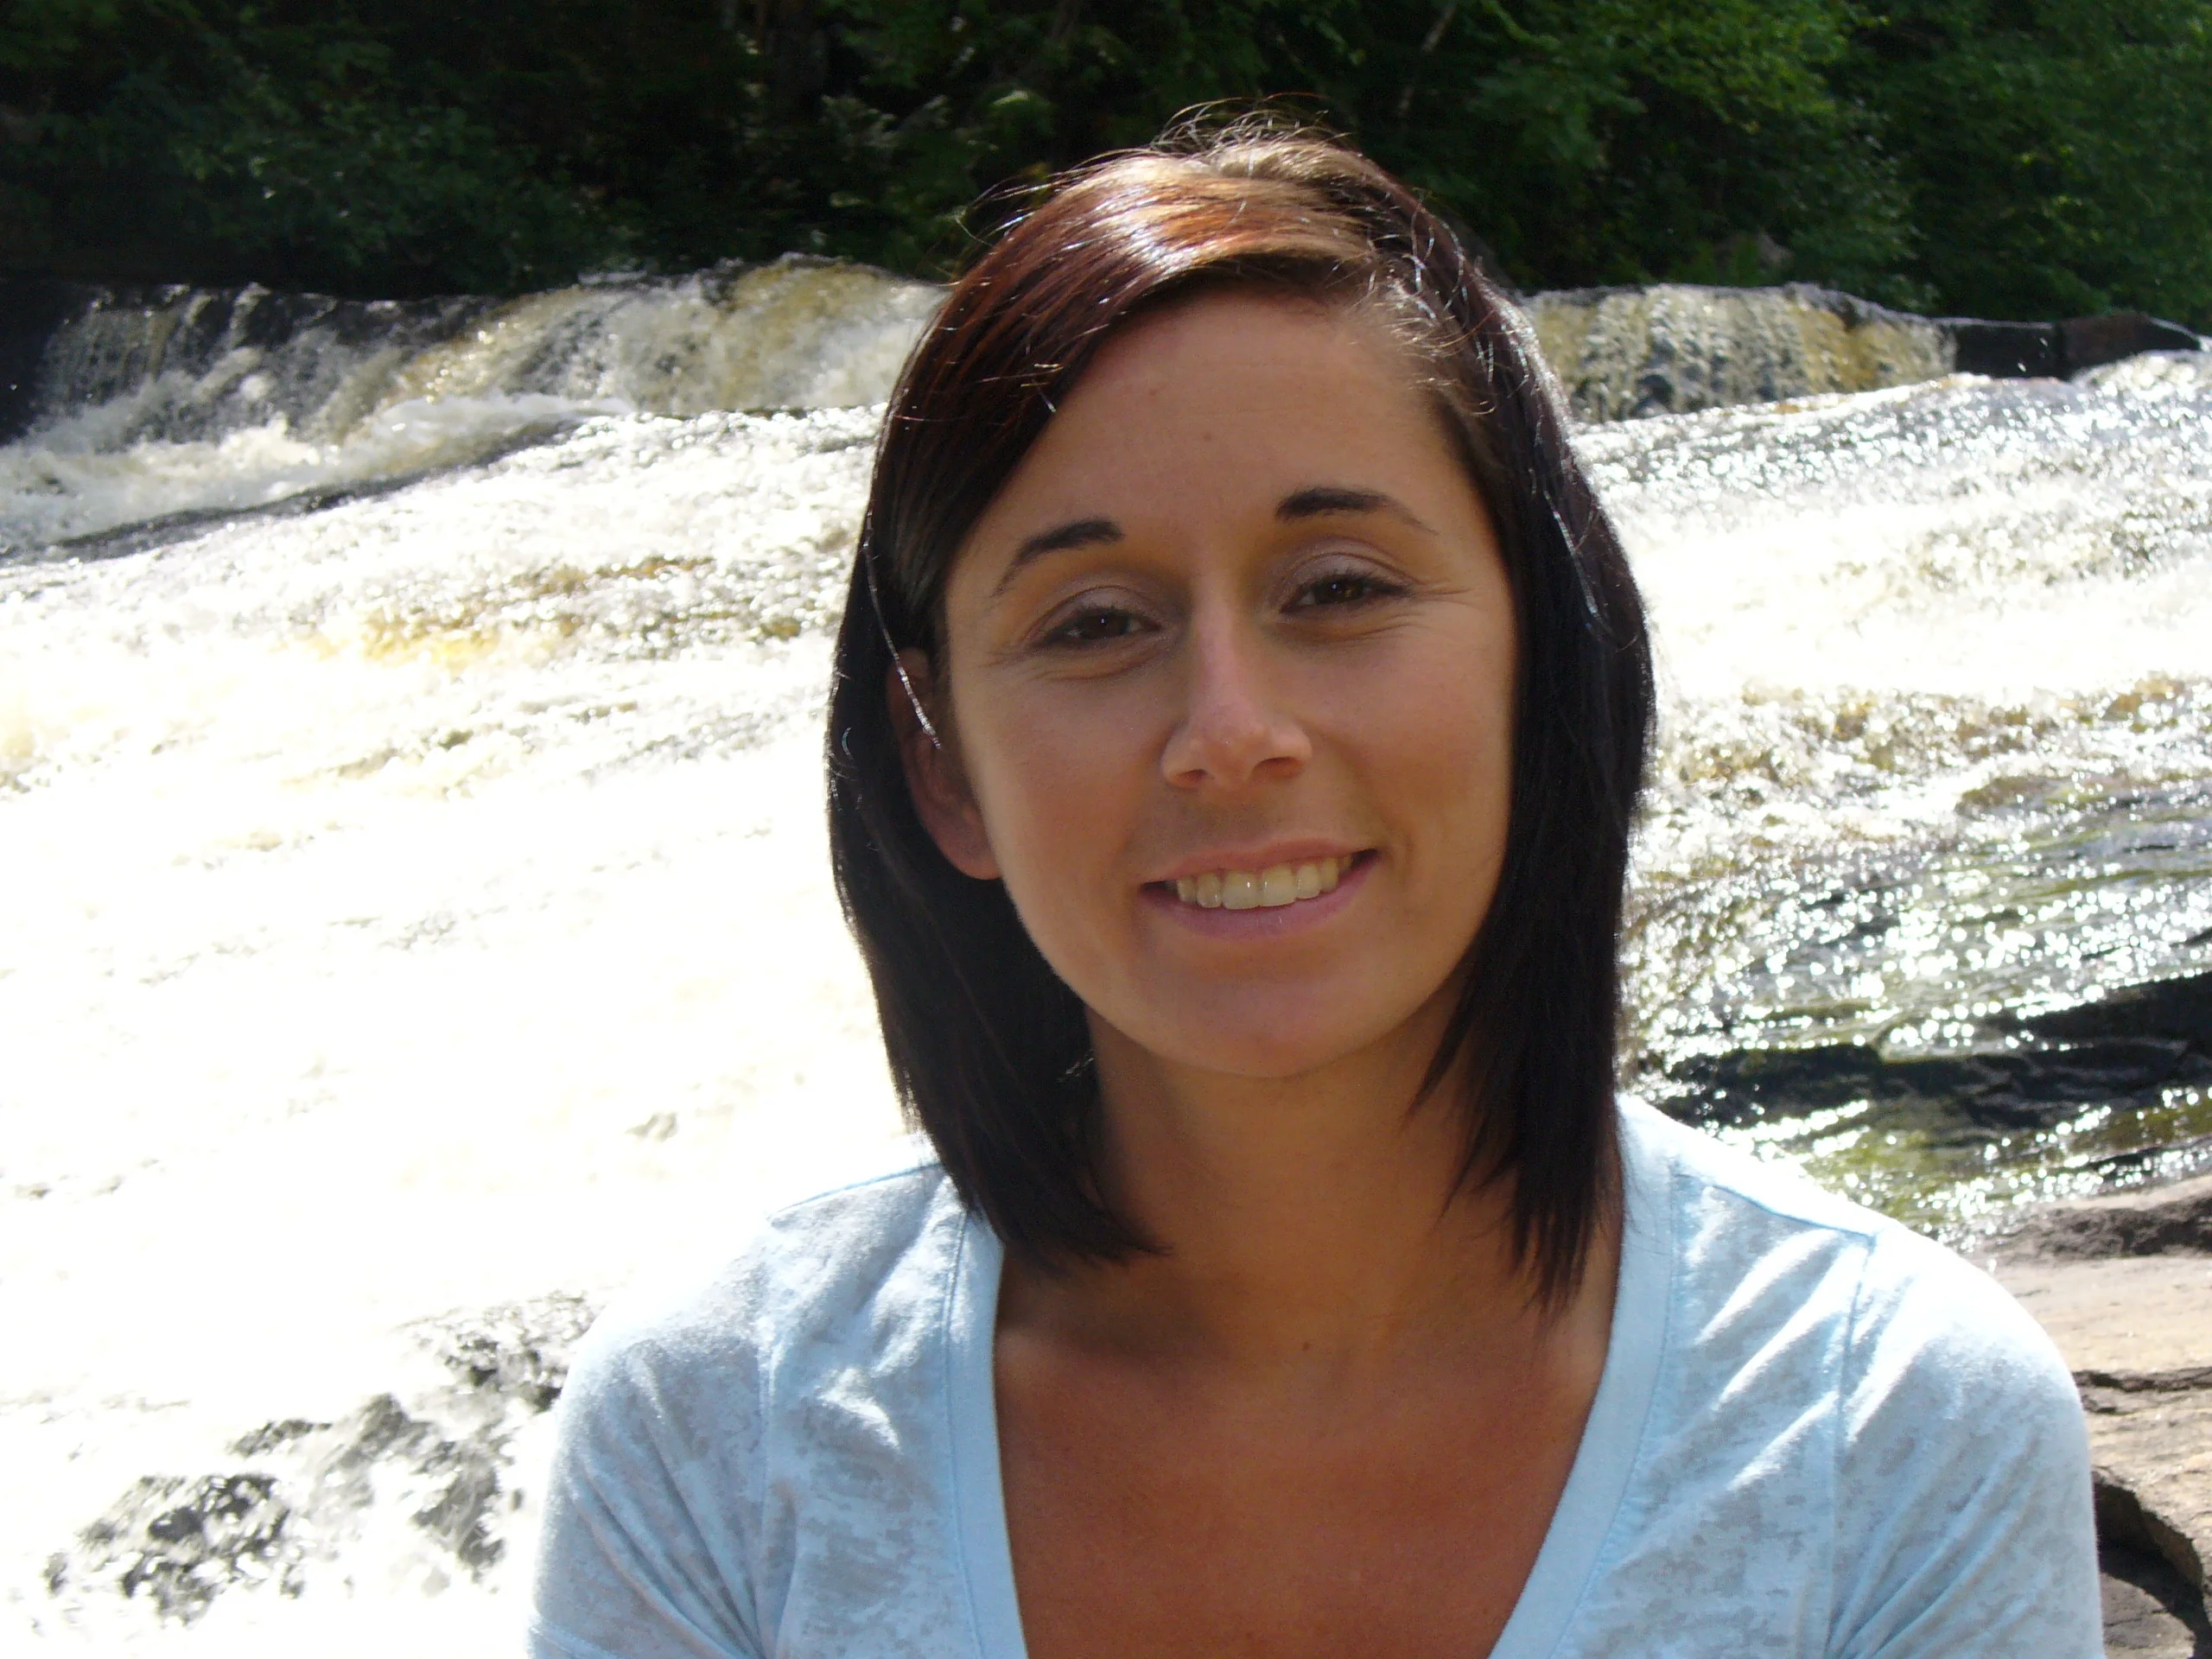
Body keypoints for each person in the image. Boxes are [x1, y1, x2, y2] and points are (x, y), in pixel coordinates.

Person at [529, 124, 2101, 1659]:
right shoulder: (715, 1432)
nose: (1230, 734)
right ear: (942, 768)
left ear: (1541, 659)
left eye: (1339, 588)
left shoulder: (1889, 1428)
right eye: (1093, 624)